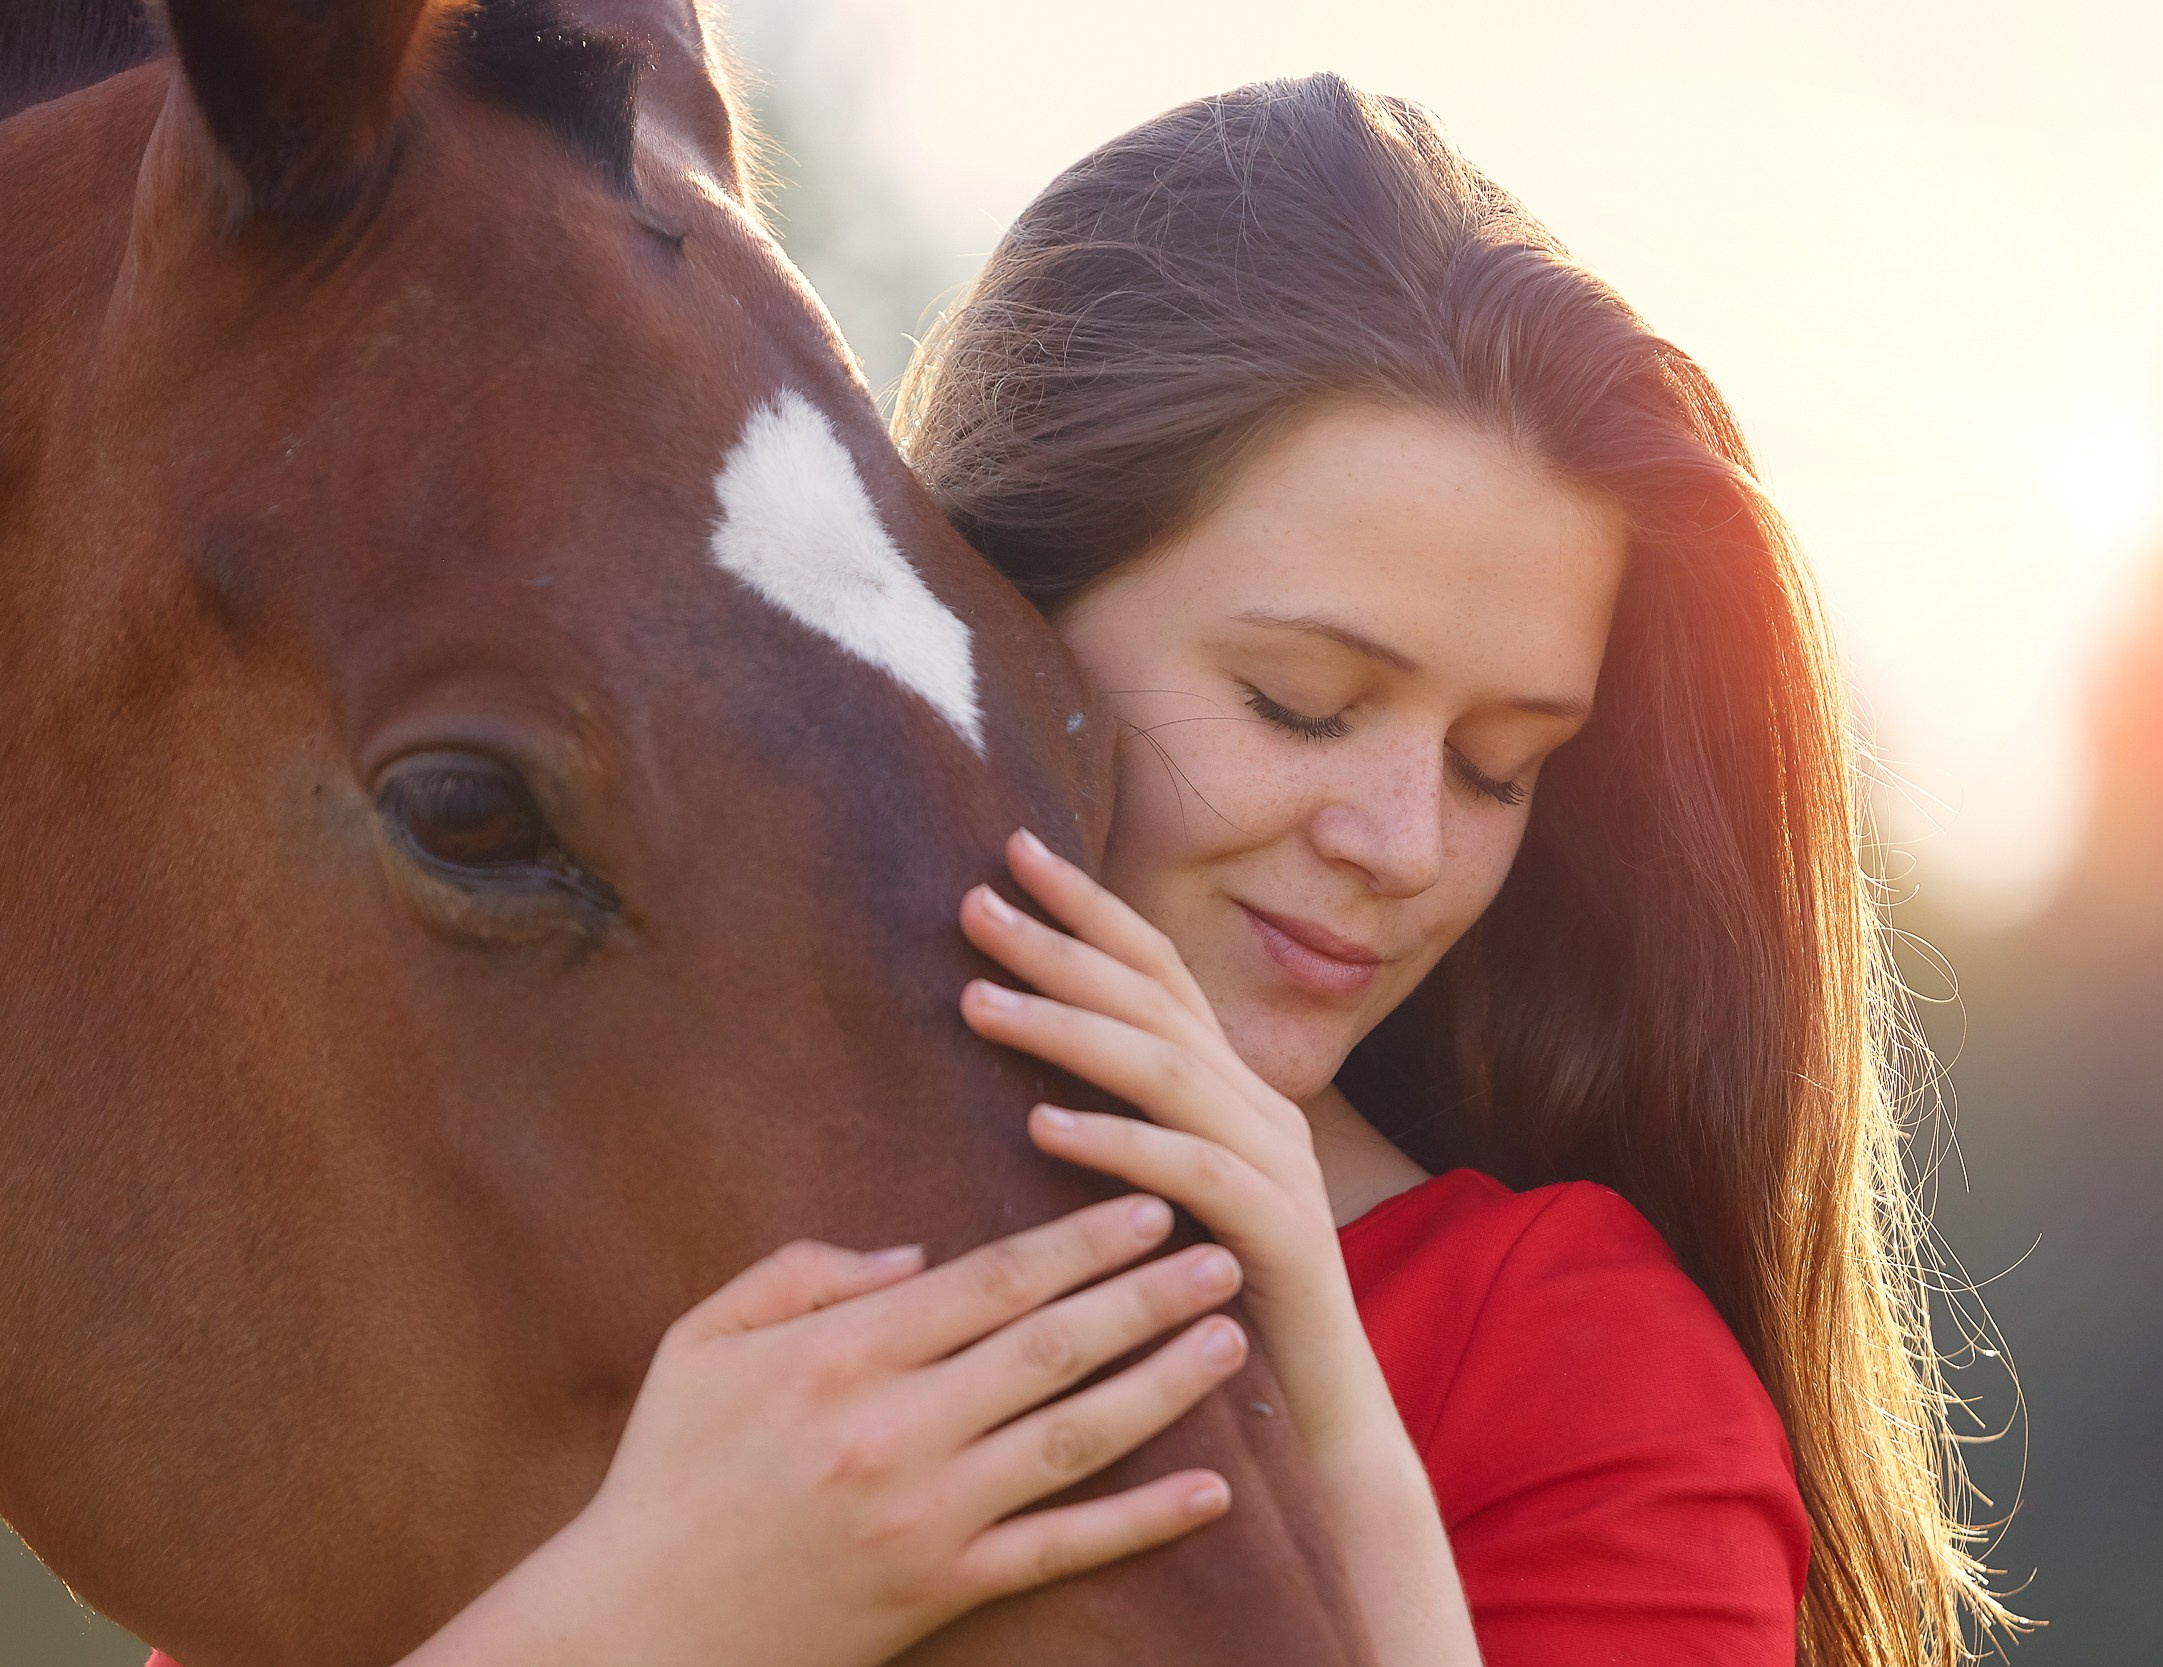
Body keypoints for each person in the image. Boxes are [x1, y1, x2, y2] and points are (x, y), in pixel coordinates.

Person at [153, 72, 2008, 1667]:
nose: (1400, 845)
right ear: (993, 605)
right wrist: (661, 1602)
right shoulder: (547, 1209)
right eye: (1297, 704)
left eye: (1498, 764)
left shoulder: (1566, 1361)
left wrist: (1330, 1399)